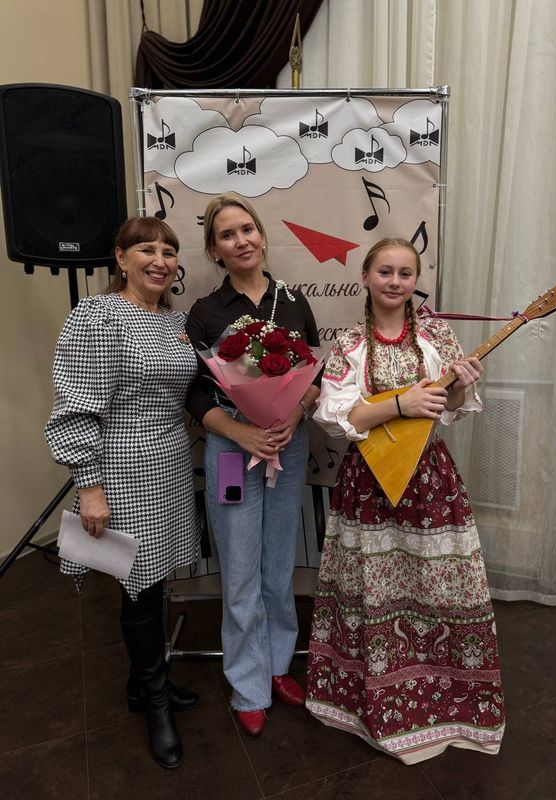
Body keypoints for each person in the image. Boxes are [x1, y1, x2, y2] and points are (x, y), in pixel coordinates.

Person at [305, 237, 505, 763]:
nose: (395, 281)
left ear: (416, 281)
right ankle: (371, 701)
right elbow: (338, 416)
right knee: (372, 588)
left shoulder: (437, 335)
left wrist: (459, 385)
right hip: (368, 481)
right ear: (365, 277)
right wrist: (401, 402)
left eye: (405, 273)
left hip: (429, 478)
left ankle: (446, 699)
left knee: (438, 586)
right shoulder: (350, 343)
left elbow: (450, 407)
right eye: (385, 271)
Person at [45, 217, 201, 770]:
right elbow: (75, 405)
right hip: (123, 465)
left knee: (154, 582)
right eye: (146, 250)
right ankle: (154, 702)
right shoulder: (98, 315)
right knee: (137, 585)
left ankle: (144, 684)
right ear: (120, 258)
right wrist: (89, 485)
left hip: (171, 461)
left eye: (169, 251)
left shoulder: (175, 321)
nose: (160, 260)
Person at [186, 192, 320, 736]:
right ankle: (247, 684)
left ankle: (278, 666)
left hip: (288, 444)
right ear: (214, 250)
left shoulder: (294, 302)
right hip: (230, 451)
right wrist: (239, 431)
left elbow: (315, 376)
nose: (240, 240)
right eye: (227, 234)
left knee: (278, 563)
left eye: (247, 229)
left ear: (262, 235)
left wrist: (296, 414)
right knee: (240, 570)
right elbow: (196, 392)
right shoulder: (206, 312)